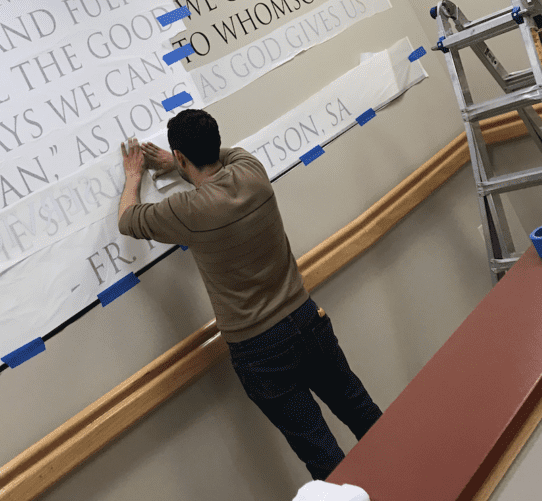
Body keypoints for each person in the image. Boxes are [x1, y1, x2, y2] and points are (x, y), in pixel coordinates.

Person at [117, 108, 381, 480]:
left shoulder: (187, 210)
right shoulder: (252, 171)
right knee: (359, 409)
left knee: (322, 452)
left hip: (261, 350)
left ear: (180, 156)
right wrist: (178, 163)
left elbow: (127, 219)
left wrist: (133, 175)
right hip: (307, 320)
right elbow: (224, 156)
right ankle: (412, 481)